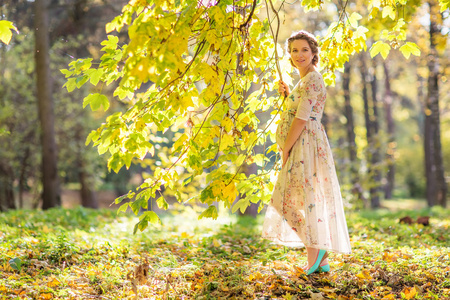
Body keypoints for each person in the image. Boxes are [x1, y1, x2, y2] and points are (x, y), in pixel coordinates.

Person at [262, 30, 352, 275]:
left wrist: (286, 149)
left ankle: (316, 251)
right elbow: (300, 109)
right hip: (304, 143)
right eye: (294, 50)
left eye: (304, 50)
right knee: (294, 200)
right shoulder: (305, 82)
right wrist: (289, 96)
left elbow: (302, 119)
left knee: (300, 200)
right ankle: (320, 257)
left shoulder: (312, 79)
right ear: (289, 56)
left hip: (306, 144)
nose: (299, 54)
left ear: (313, 53)